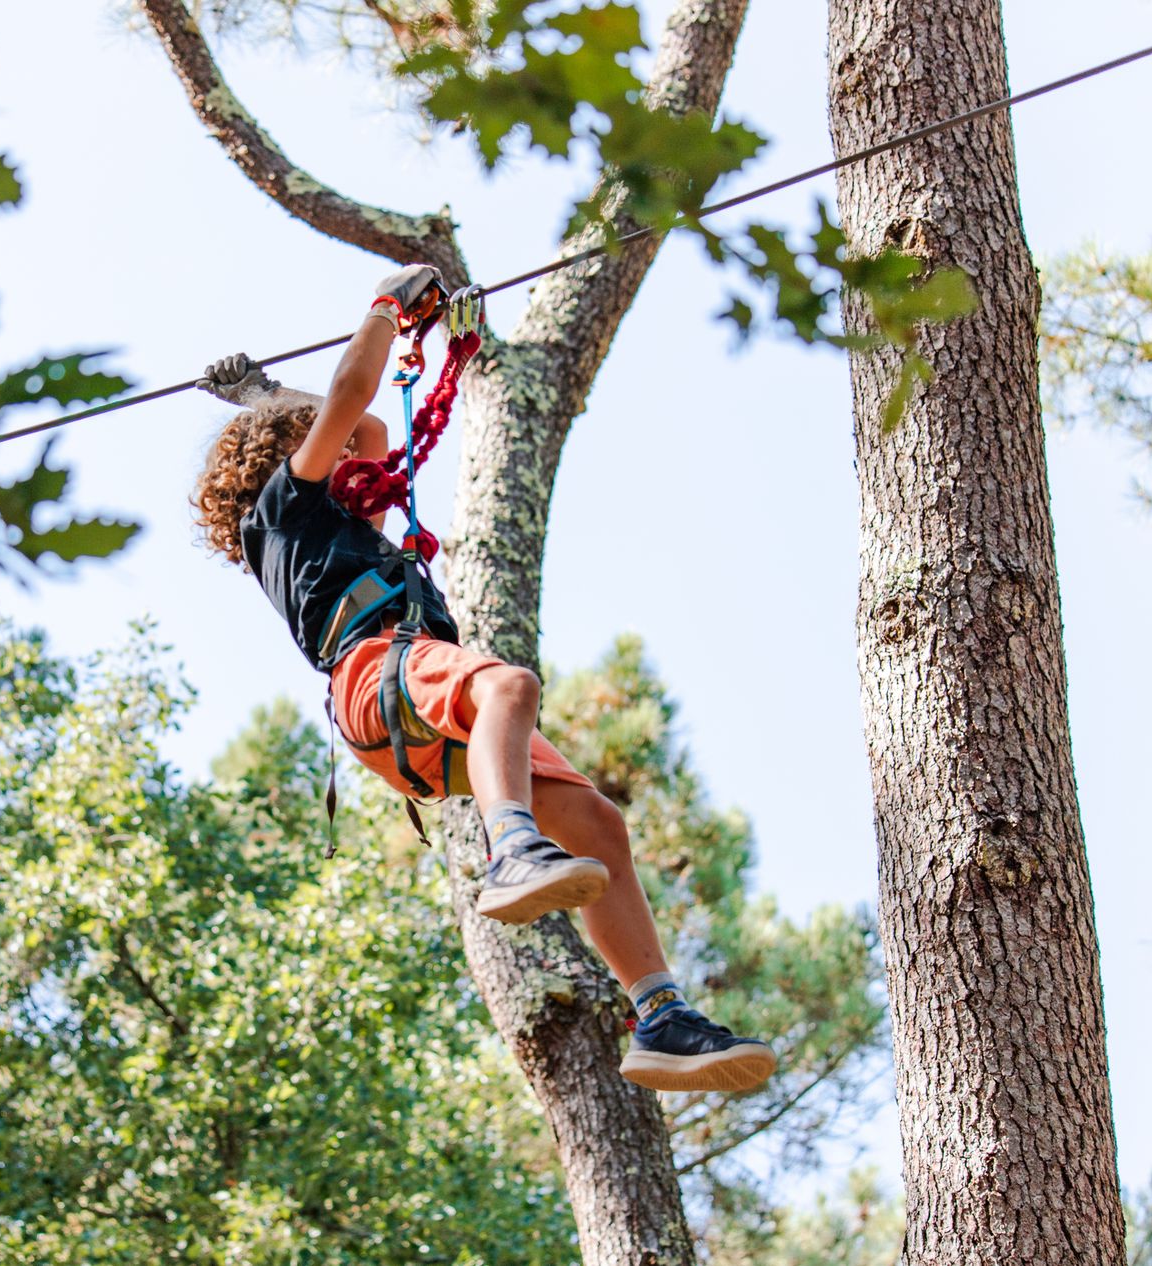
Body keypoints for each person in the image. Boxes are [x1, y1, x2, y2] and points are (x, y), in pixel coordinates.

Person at [190, 264, 775, 1093]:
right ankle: (512, 854)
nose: (350, 452)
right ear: (283, 458)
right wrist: (385, 309)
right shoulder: (282, 511)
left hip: (410, 710)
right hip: (376, 675)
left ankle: (660, 1017)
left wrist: (269, 392)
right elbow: (353, 397)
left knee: (596, 823)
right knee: (508, 687)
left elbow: (369, 430)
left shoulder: (334, 523)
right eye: (320, 440)